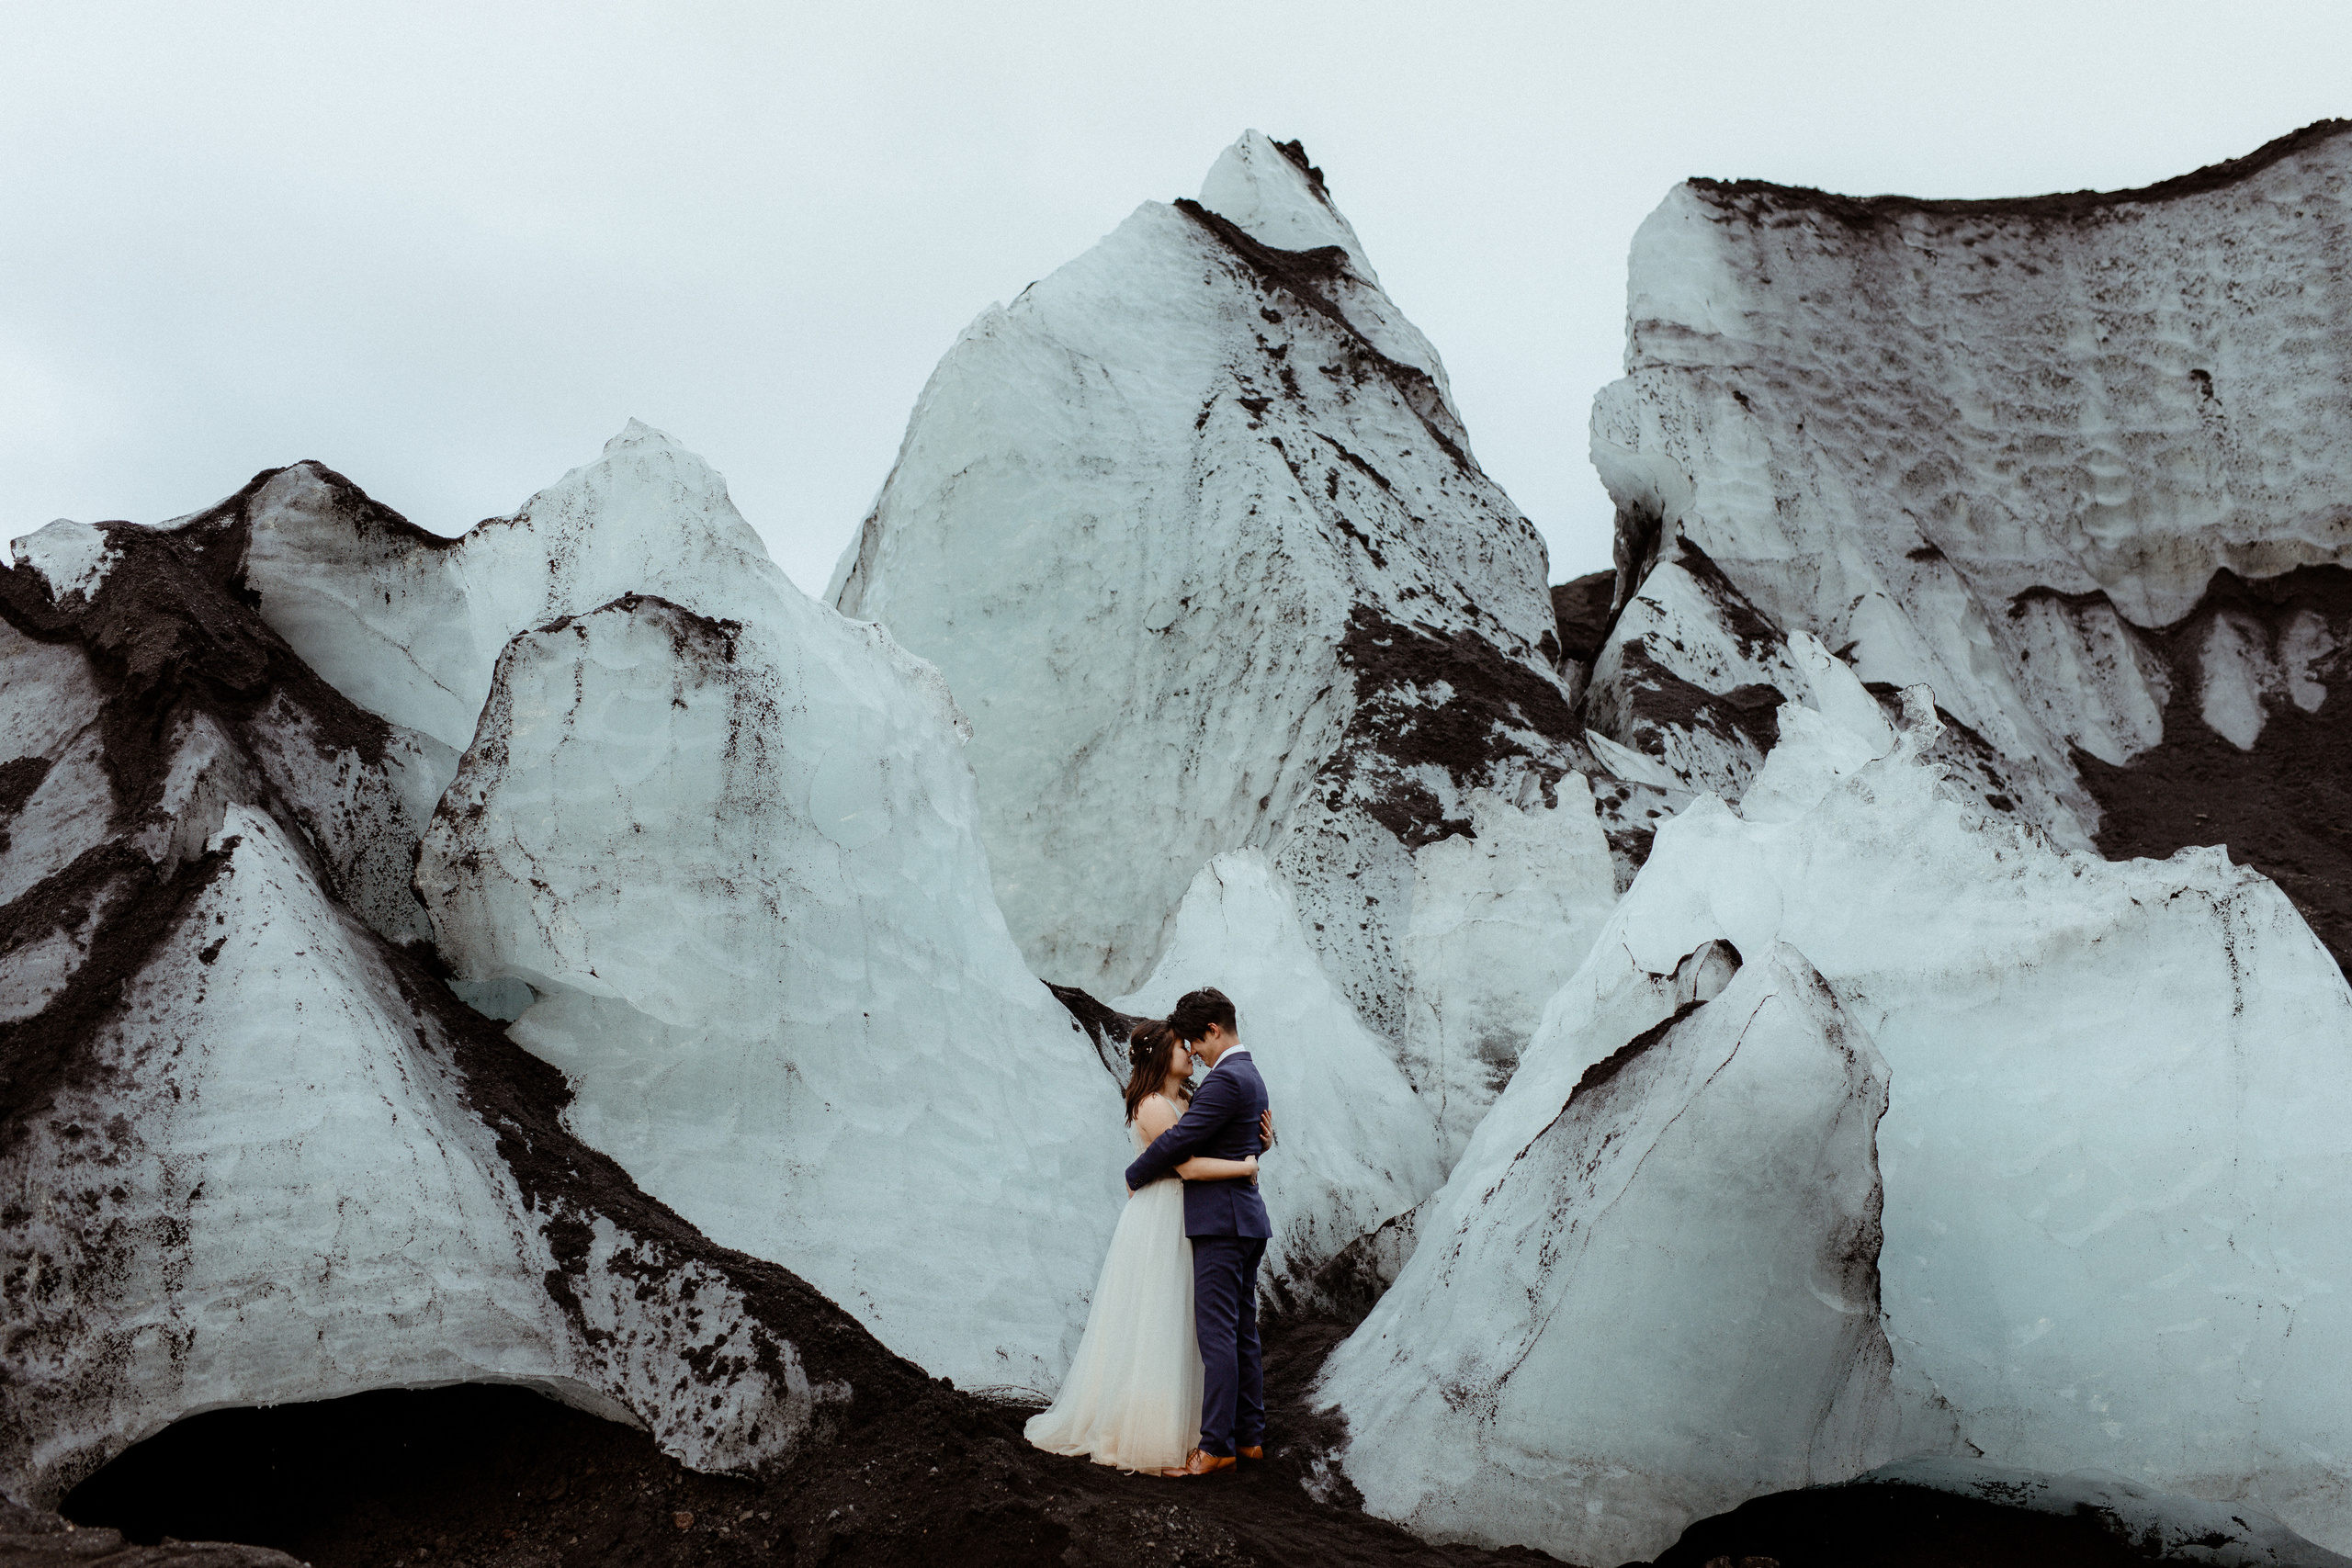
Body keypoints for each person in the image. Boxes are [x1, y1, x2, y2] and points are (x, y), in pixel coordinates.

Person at [1023, 1020, 1262, 1472]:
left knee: (1187, 1322)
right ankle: (1153, 1428)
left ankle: (1201, 1427)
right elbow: (1189, 1166)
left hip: (1188, 1215)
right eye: (1180, 1047)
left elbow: (1217, 1141)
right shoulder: (1153, 1106)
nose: (1190, 1053)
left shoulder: (1187, 1100)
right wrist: (1245, 1166)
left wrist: (1258, 1145)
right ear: (1160, 1056)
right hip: (1160, 1216)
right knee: (1157, 1318)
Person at [1125, 987, 1273, 1479]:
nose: (1193, 1052)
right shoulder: (1249, 1076)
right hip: (1243, 1219)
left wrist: (1134, 1173)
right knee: (1241, 1333)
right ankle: (1249, 1438)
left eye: (1195, 1041)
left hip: (1221, 1223)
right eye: (1183, 1046)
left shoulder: (1224, 1080)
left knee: (1218, 1337)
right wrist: (1257, 1154)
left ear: (1213, 1031)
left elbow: (1182, 1143)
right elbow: (1239, 1142)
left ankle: (1215, 1448)